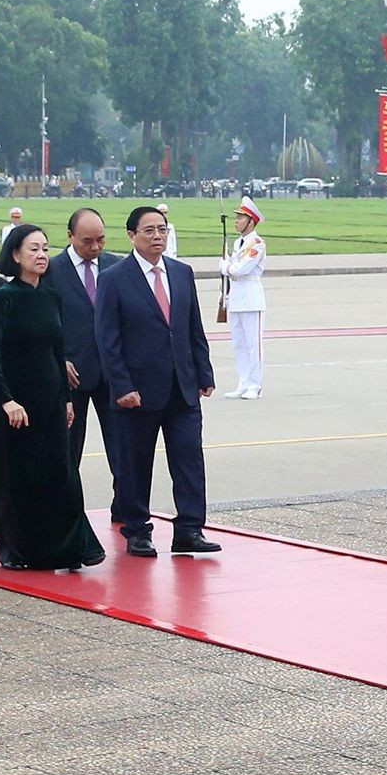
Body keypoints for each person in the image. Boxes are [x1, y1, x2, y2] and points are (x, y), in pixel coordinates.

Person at [94, 205, 218, 557]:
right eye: (148, 231)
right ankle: (137, 529)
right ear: (131, 235)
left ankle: (190, 529)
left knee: (189, 457)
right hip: (137, 391)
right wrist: (121, 386)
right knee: (135, 462)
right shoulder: (115, 278)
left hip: (182, 386)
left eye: (161, 229)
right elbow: (108, 339)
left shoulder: (181, 273)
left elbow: (193, 327)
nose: (157, 236)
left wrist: (203, 373)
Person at [0, 224, 104, 569]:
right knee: (22, 476)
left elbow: (57, 350)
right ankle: (19, 550)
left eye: (44, 249)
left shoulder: (50, 296)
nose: (40, 255)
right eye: (32, 249)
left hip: (51, 399)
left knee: (61, 473)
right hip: (17, 403)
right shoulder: (5, 297)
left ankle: (69, 547)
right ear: (16, 255)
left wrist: (66, 398)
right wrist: (6, 399)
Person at [44, 207, 124, 520]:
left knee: (123, 449)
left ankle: (126, 509)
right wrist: (58, 358)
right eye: (87, 241)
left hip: (112, 375)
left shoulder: (116, 267)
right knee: (67, 450)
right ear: (70, 237)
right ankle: (65, 512)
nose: (95, 248)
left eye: (100, 240)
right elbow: (41, 322)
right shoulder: (51, 270)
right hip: (69, 378)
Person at [221, 197, 267, 400]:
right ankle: (243, 382)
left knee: (253, 345)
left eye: (240, 218)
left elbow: (241, 269)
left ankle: (255, 385)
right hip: (236, 297)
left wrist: (225, 267)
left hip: (251, 298)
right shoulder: (239, 242)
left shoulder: (257, 244)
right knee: (239, 343)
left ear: (251, 221)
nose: (236, 221)